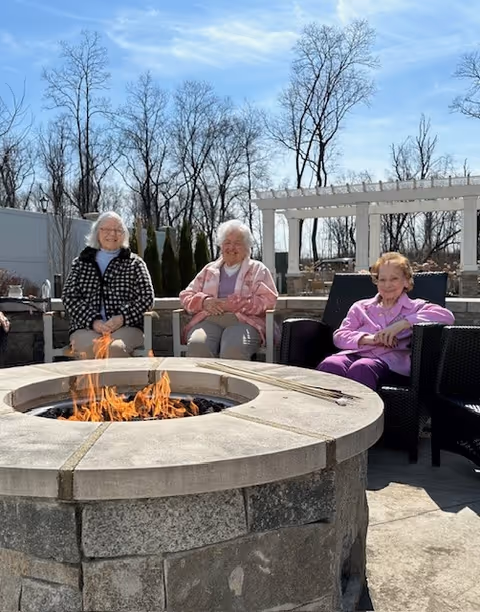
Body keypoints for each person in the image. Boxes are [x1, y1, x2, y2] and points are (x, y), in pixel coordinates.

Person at [317, 252, 455, 390]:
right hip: (353, 354)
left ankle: (365, 411)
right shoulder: (361, 307)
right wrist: (370, 339)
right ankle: (324, 410)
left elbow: (447, 316)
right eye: (382, 280)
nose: (387, 285)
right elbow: (339, 336)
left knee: (362, 368)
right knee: (331, 364)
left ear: (406, 281)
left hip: (388, 362)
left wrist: (402, 324)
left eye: (394, 279)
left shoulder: (415, 307)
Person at [179, 220, 278, 360]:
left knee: (233, 349)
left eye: (237, 243)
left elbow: (269, 300)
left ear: (247, 247)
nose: (231, 247)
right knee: (197, 346)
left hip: (244, 321)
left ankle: (231, 382)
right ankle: (205, 382)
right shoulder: (209, 270)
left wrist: (239, 304)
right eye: (227, 242)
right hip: (209, 319)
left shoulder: (257, 269)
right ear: (221, 246)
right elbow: (186, 295)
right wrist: (204, 302)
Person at [62, 211, 155, 359]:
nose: (112, 234)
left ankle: (117, 383)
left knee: (115, 348)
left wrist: (122, 317)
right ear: (97, 232)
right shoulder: (81, 262)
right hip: (86, 327)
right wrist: (93, 321)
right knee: (90, 348)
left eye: (118, 230)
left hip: (126, 327)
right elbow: (69, 297)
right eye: (106, 229)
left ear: (124, 234)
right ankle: (91, 383)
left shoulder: (134, 263)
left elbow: (147, 298)